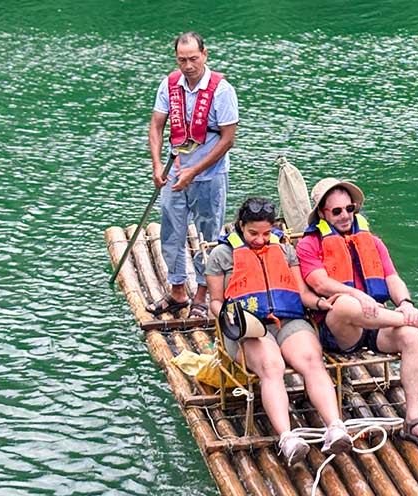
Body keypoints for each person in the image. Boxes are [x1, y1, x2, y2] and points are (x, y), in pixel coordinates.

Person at [296, 178, 418, 450]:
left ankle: (414, 420)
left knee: (410, 335)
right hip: (339, 329)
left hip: (378, 322)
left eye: (349, 209)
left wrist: (405, 302)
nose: (345, 215)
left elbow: (392, 277)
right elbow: (320, 283)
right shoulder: (309, 245)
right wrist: (358, 295)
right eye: (336, 211)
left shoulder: (371, 240)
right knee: (346, 304)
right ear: (323, 213)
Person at [205, 198, 353, 465]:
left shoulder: (285, 250)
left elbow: (302, 293)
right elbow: (215, 302)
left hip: (287, 321)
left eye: (265, 233)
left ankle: (335, 428)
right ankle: (287, 438)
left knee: (311, 360)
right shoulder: (221, 255)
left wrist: (321, 303)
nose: (260, 240)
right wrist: (228, 316)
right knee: (271, 366)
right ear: (241, 226)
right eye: (253, 234)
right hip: (247, 329)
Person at [145, 31, 239, 319]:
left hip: (209, 174)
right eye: (182, 60)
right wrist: (157, 166)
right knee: (171, 231)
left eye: (193, 59)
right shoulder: (170, 84)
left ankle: (201, 292)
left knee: (208, 234)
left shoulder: (221, 90)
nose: (188, 66)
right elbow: (157, 126)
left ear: (205, 54)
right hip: (175, 169)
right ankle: (177, 292)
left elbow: (227, 139)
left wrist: (195, 171)